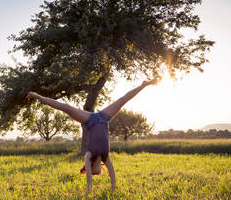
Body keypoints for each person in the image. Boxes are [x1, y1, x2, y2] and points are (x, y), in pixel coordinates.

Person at [26, 78, 159, 192]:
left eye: (95, 171)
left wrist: (89, 191)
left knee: (66, 107)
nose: (97, 172)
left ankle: (38, 96)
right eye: (98, 171)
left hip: (89, 119)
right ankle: (144, 84)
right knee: (122, 100)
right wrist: (114, 189)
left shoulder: (88, 156)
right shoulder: (106, 158)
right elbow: (112, 176)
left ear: (91, 167)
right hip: (104, 117)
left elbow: (89, 179)